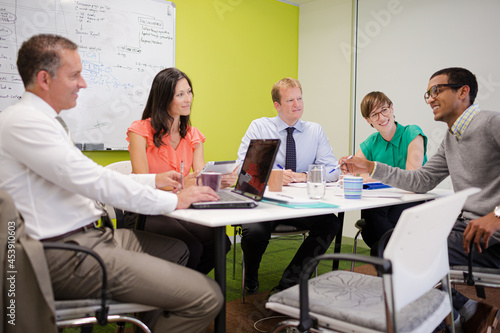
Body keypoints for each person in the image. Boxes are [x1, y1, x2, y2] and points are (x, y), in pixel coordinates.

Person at [0, 34, 223, 332]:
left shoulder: (46, 122)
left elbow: (96, 177)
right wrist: (174, 199)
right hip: (64, 250)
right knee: (207, 296)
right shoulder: (25, 122)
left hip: (92, 234)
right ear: (44, 79)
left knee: (178, 250)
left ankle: (147, 323)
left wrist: (154, 182)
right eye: (75, 75)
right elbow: (94, 180)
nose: (84, 83)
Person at [340, 67, 500, 332]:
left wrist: (497, 215)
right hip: (468, 230)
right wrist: (370, 166)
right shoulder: (452, 137)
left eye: (437, 90)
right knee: (389, 244)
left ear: (463, 91)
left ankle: (450, 318)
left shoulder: (491, 123)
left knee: (397, 254)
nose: (431, 99)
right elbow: (420, 180)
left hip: (490, 237)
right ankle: (463, 314)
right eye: (428, 94)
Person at [236, 77, 341, 295]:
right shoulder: (260, 127)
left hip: (300, 206)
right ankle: (251, 277)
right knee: (254, 231)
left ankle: (289, 282)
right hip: (267, 207)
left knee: (330, 223)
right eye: (290, 100)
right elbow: (242, 171)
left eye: (300, 98)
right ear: (277, 105)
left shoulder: (315, 131)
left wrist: (306, 176)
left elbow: (334, 170)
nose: (297, 104)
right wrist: (272, 175)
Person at [126, 67, 233, 274]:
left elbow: (201, 178)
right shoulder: (139, 130)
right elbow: (142, 181)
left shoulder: (193, 135)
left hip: (179, 208)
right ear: (164, 98)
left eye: (189, 92)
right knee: (190, 247)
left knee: (220, 243)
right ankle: (172, 296)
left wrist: (218, 180)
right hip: (146, 209)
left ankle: (186, 288)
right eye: (180, 94)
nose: (188, 99)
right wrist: (184, 186)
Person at [355, 91, 427, 255]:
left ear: (392, 108)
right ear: (368, 120)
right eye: (374, 114)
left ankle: (386, 251)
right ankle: (394, 252)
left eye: (384, 110)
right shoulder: (371, 142)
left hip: (413, 200)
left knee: (373, 223)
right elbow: (353, 174)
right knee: (372, 213)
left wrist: (373, 174)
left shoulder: (412, 133)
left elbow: (412, 176)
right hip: (383, 204)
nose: (381, 118)